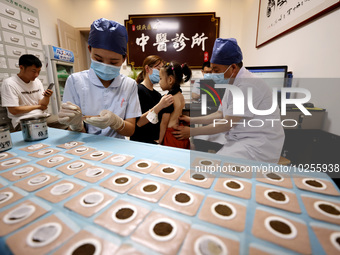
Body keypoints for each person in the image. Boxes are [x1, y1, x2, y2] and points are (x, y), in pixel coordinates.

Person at [173, 38, 285, 163]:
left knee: (218, 166)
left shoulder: (248, 85)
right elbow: (220, 114)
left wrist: (192, 131)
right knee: (203, 142)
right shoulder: (233, 82)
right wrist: (191, 120)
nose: (213, 74)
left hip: (258, 144)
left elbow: (227, 123)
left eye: (216, 70)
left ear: (233, 67)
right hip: (241, 137)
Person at [58, 18, 141, 138]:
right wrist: (76, 125)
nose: (106, 66)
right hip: (85, 145)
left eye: (113, 62)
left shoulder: (129, 84)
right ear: (89, 50)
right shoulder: (75, 81)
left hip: (118, 148)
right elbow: (74, 133)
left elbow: (130, 130)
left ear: (124, 59)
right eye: (98, 59)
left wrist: (116, 122)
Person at [1, 54, 53, 130]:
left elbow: (43, 105)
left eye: (39, 71)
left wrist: (47, 96)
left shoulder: (37, 82)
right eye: (33, 71)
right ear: (21, 67)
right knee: (45, 131)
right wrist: (38, 106)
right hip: (23, 121)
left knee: (66, 121)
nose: (36, 75)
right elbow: (14, 110)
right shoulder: (9, 83)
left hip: (42, 116)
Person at [130, 55, 174, 144]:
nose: (161, 72)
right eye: (158, 69)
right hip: (139, 143)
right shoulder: (137, 90)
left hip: (153, 143)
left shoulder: (157, 95)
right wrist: (160, 106)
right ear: (147, 69)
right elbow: (138, 122)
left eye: (162, 70)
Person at [158, 62, 192, 149]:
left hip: (171, 135)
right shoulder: (180, 95)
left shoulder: (168, 99)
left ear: (170, 80)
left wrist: (160, 141)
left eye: (160, 78)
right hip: (180, 133)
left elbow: (164, 123)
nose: (159, 82)